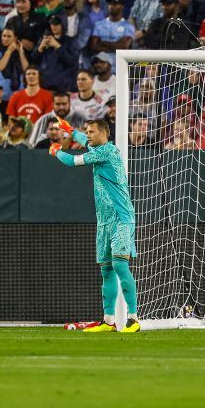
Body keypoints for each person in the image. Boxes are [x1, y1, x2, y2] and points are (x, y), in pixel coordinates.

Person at [50, 118, 140, 333]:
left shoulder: (106, 152)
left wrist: (56, 151)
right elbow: (82, 140)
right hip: (104, 220)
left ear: (104, 133)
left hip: (121, 217)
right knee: (107, 270)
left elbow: (72, 161)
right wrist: (70, 130)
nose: (87, 135)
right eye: (87, 132)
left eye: (91, 132)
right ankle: (108, 321)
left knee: (119, 265)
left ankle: (133, 319)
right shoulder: (97, 146)